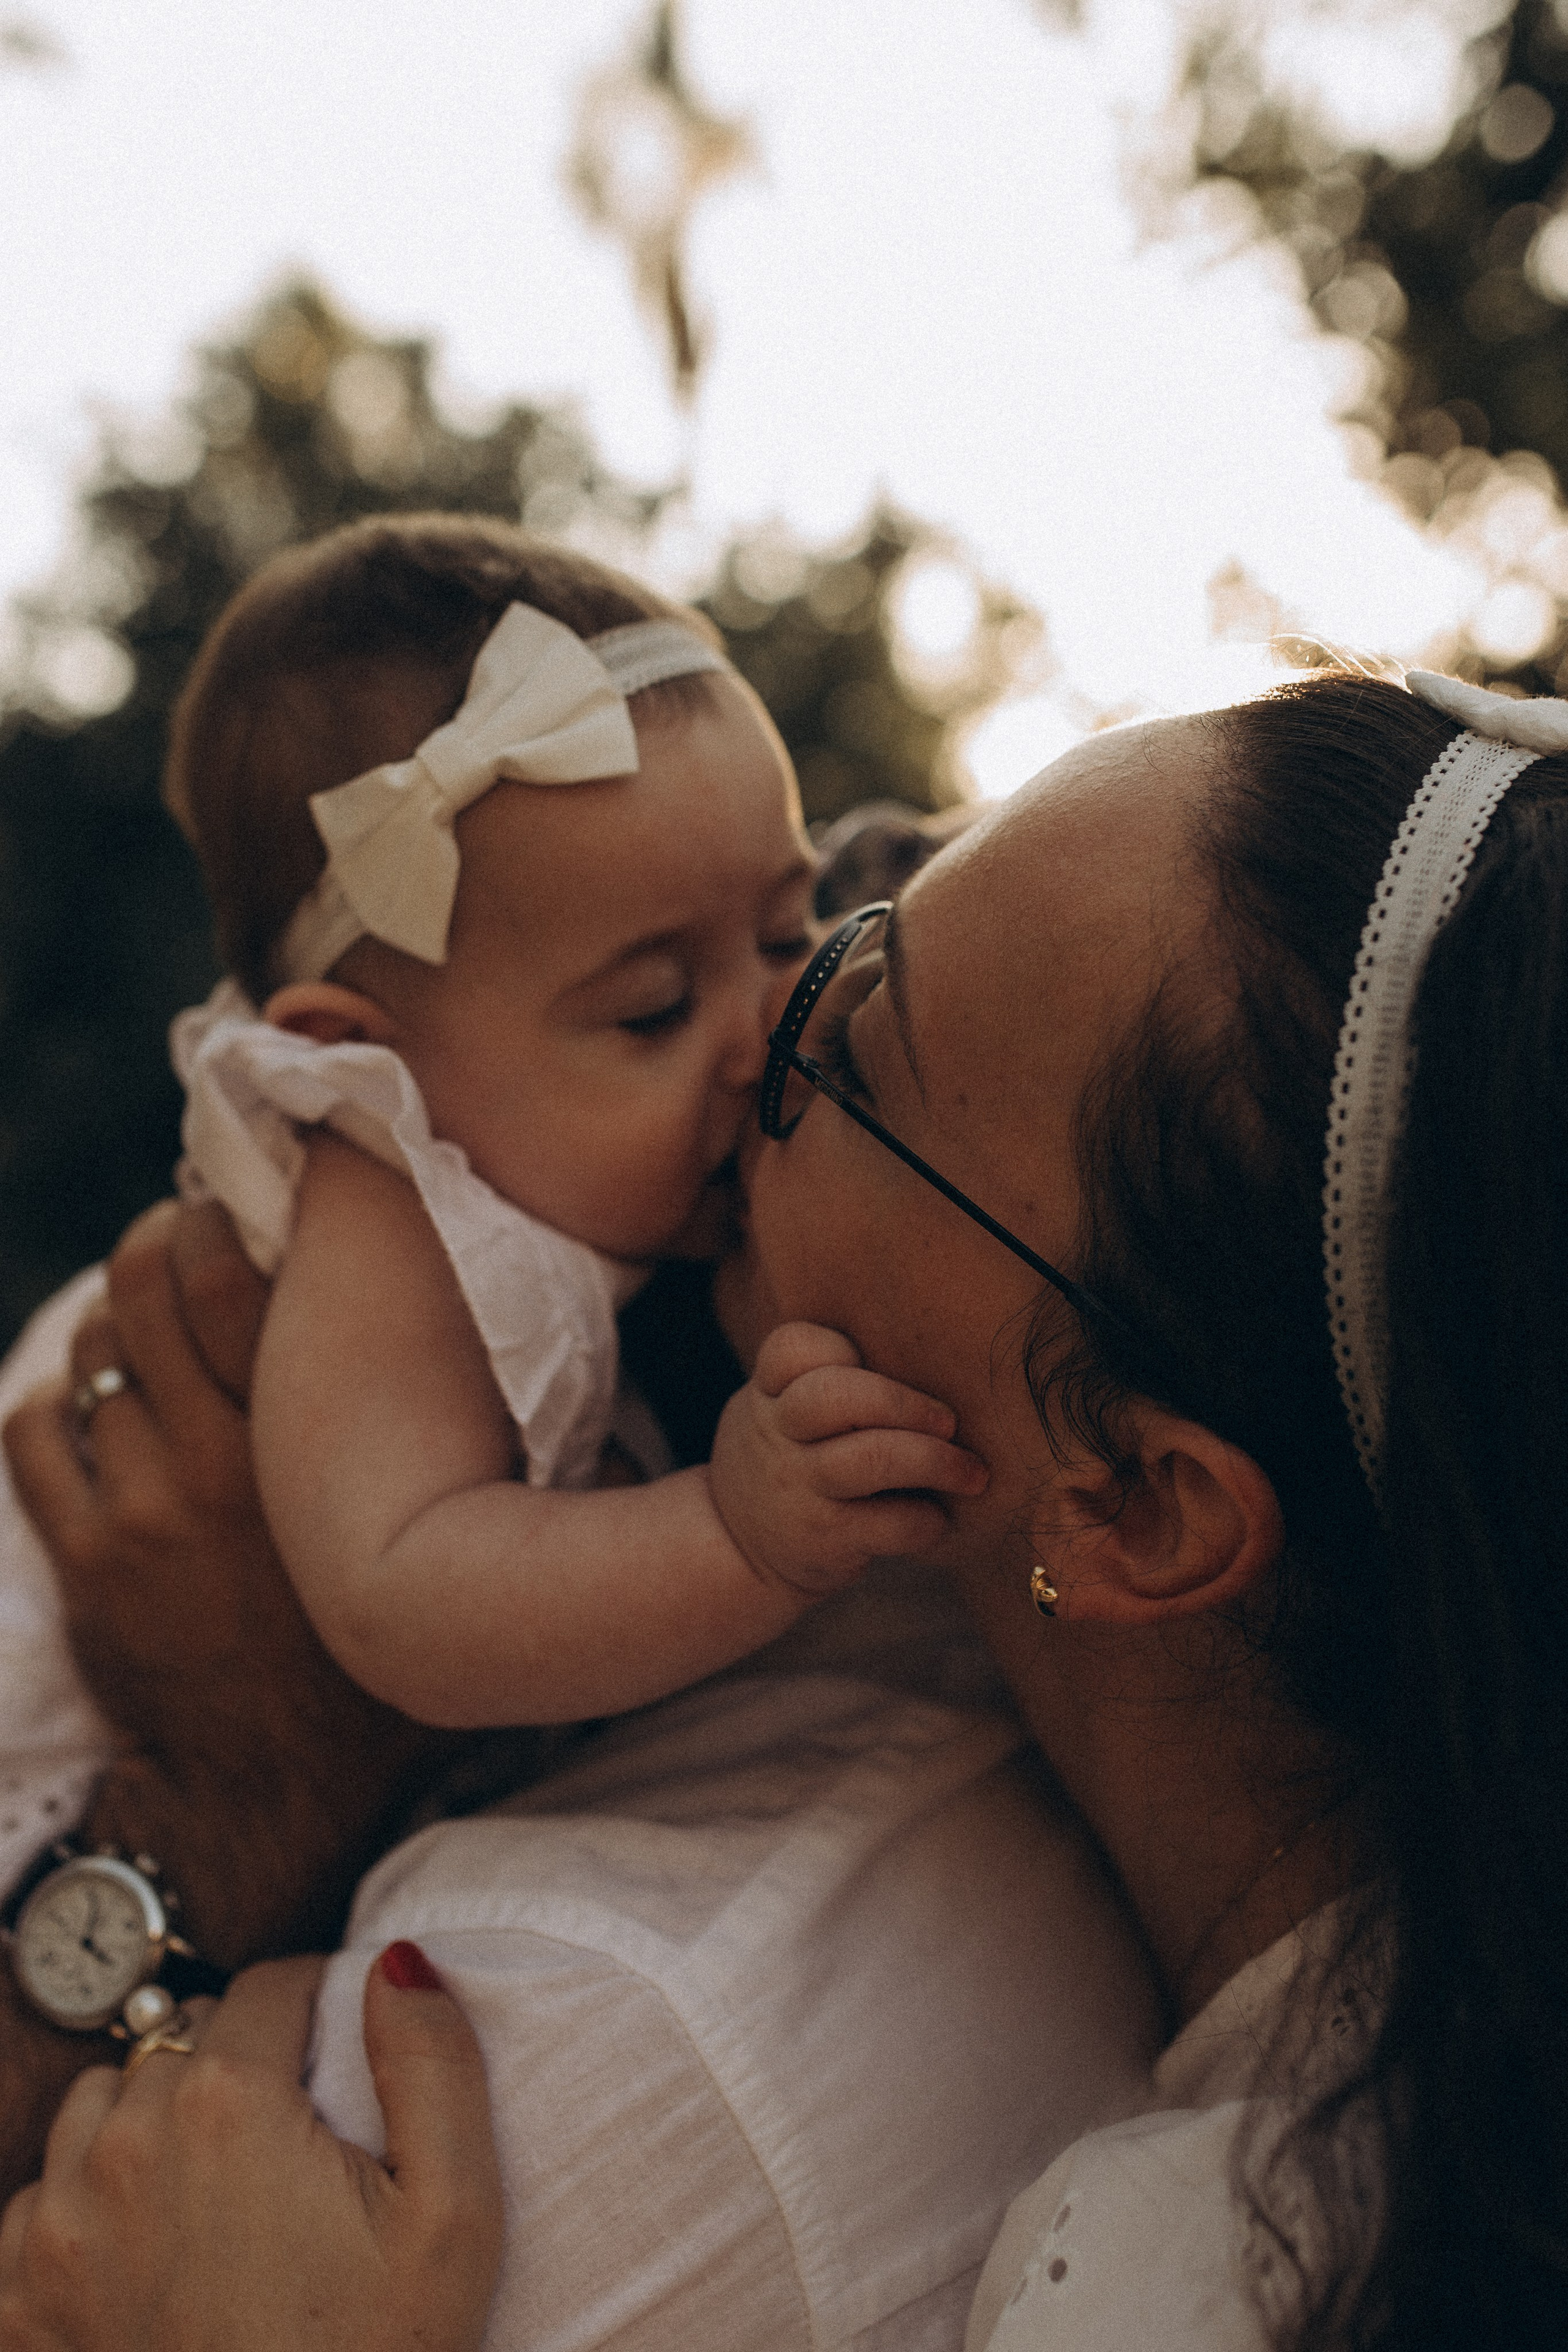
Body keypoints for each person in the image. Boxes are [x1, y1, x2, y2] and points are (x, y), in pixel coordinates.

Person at [5, 661, 1567, 2349]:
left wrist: (242, 1784)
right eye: (855, 894)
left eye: (855, 1036)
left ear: (1126, 1504)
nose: (757, 1043)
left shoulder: (625, 2054)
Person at [0, 513, 987, 1898]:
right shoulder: (383, 1192)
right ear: (364, 1055)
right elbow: (402, 1592)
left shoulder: (544, 1158)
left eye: (783, 929)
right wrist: (733, 1536)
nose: (767, 1026)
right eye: (650, 1009)